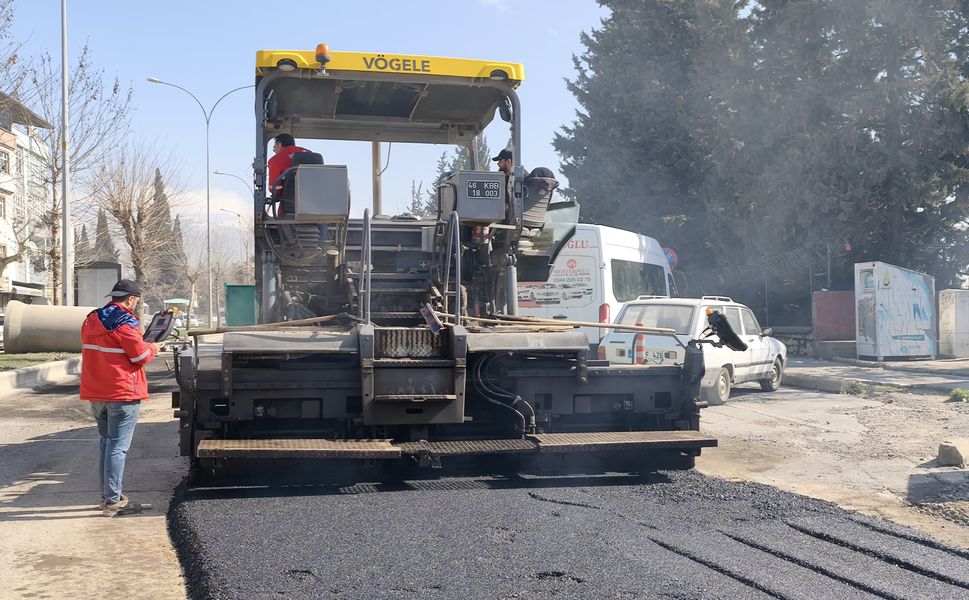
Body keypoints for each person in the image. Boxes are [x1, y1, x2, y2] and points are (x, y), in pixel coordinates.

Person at [80, 279, 165, 517]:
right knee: (117, 448)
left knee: (106, 445)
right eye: (136, 301)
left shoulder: (91, 319)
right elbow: (139, 357)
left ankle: (108, 497)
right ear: (130, 299)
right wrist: (154, 348)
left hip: (97, 393)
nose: (135, 305)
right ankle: (113, 502)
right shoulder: (126, 323)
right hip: (122, 393)